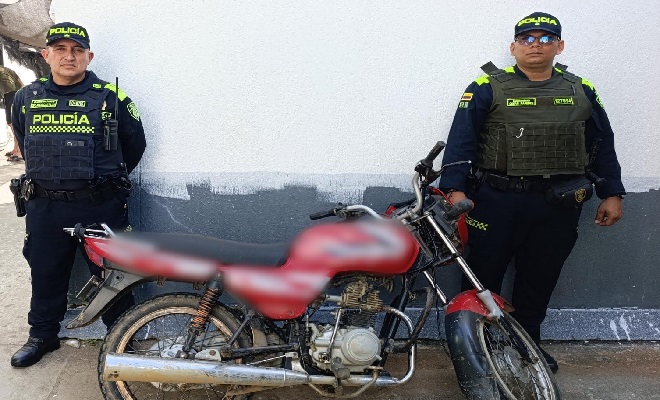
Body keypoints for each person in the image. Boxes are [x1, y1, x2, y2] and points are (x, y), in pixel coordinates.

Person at [438, 12, 624, 372]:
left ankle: (528, 348)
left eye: (545, 38)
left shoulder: (581, 88)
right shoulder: (485, 86)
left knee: (539, 280)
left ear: (559, 46)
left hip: (558, 202)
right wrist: (455, 192)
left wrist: (612, 192)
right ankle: (478, 352)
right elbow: (461, 141)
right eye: (527, 39)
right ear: (514, 47)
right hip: (495, 200)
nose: (535, 45)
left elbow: (602, 142)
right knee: (481, 277)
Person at [10, 22, 146, 368]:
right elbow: (25, 142)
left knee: (113, 274)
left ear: (89, 56)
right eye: (60, 49)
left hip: (99, 205)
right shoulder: (26, 98)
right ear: (46, 55)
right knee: (45, 272)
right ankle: (43, 335)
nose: (68, 56)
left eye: (77, 50)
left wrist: (100, 182)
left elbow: (134, 145)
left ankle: (123, 338)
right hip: (45, 206)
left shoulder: (111, 97)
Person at [0, 65, 24, 161]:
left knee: (13, 124)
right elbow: (20, 81)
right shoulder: (6, 69)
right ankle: (16, 149)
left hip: (11, 95)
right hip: (16, 94)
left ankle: (19, 151)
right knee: (13, 123)